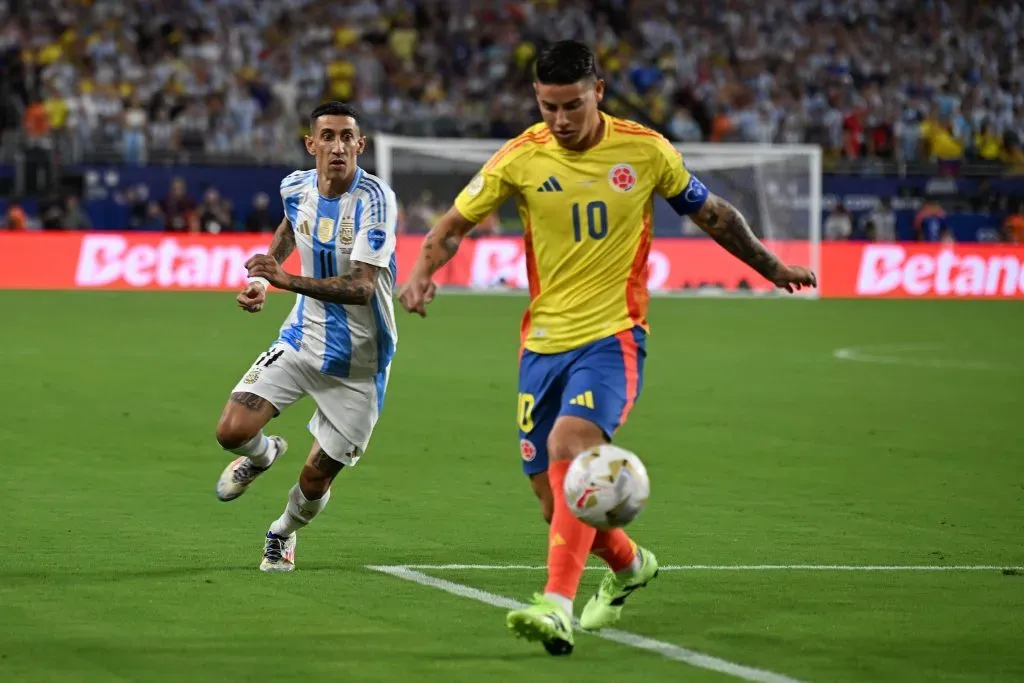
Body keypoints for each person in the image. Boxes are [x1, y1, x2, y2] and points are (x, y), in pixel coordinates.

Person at [398, 41, 815, 655]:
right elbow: (451, 227)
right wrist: (420, 273)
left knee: (572, 446)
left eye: (571, 105)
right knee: (553, 501)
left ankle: (555, 605)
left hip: (614, 336)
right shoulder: (519, 158)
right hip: (541, 345)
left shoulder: (645, 150)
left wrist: (771, 265)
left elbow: (716, 216)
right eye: (547, 107)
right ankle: (630, 565)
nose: (559, 120)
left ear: (599, 92)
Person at [214, 101, 398, 572]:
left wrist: (284, 281)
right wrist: (260, 279)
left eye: (347, 137)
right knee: (231, 431)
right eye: (328, 136)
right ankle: (262, 454)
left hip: (360, 362)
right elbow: (290, 229)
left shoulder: (375, 201)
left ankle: (282, 533)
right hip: (302, 339)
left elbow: (361, 288)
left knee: (316, 480)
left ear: (360, 145)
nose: (338, 146)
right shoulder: (296, 187)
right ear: (311, 144)